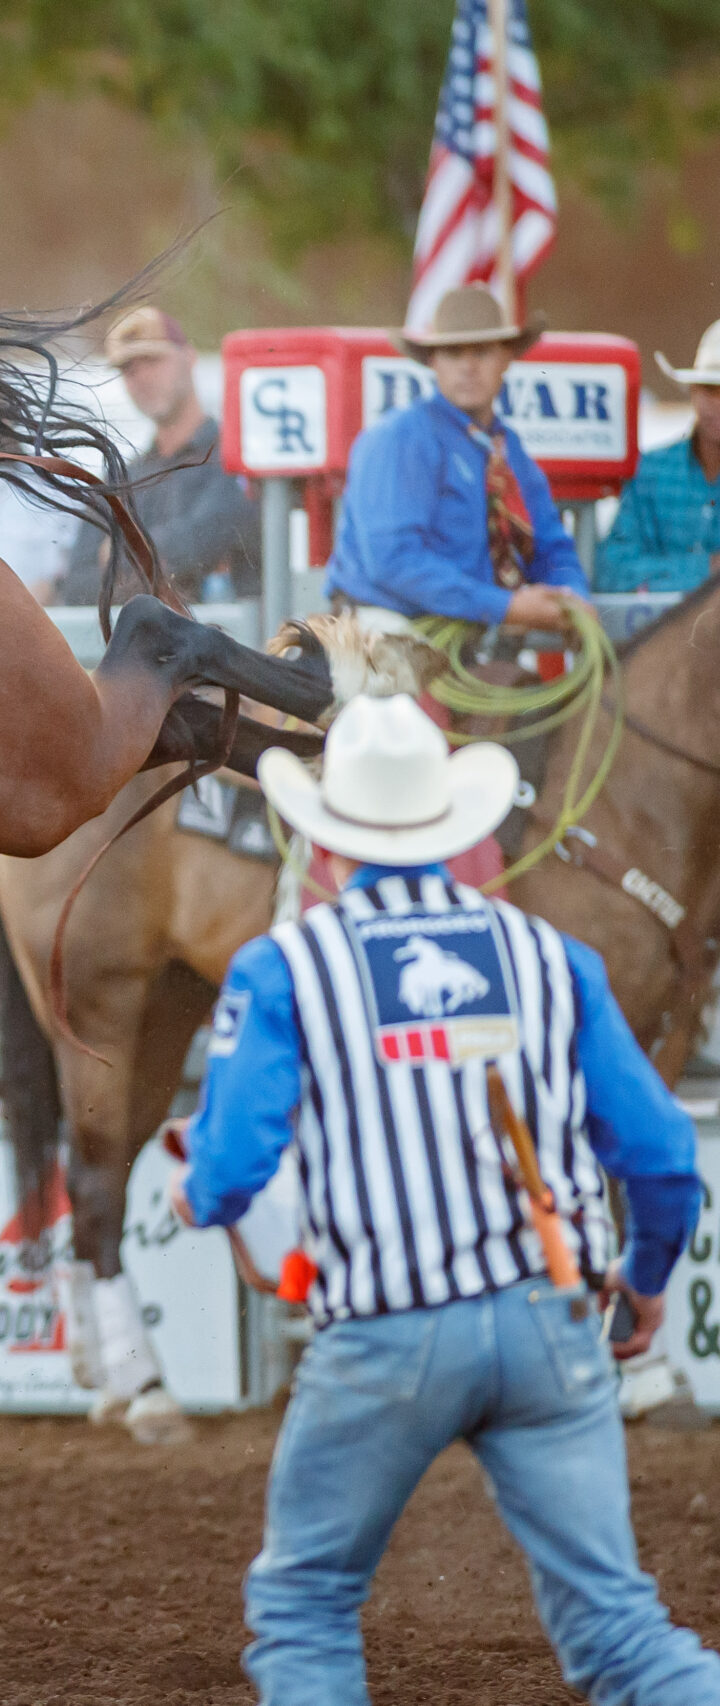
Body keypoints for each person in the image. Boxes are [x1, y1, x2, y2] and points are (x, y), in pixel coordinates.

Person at [171, 693, 720, 1706]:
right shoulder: (552, 958)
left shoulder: (287, 964)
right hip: (552, 1315)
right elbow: (659, 1153)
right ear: (450, 828)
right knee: (623, 1634)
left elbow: (233, 1164)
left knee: (304, 1608)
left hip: (384, 1330)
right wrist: (644, 1277)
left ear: (326, 842)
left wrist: (191, 1191)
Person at [325, 287, 591, 634]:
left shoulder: (510, 452)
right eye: (453, 353)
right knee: (402, 685)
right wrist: (506, 607)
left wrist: (572, 597)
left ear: (507, 357)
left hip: (470, 634)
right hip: (381, 629)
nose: (468, 367)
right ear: (433, 361)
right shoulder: (400, 438)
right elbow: (393, 562)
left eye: (482, 351)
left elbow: (551, 548)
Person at [56, 306, 260, 607]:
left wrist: (117, 556)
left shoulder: (237, 457)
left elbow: (206, 541)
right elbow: (76, 588)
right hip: (150, 648)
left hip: (228, 645)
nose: (142, 377)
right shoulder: (122, 479)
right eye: (129, 369)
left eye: (152, 360)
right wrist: (157, 561)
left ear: (189, 358)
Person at [596, 318, 720, 595]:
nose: (718, 404)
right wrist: (707, 568)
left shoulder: (649, 471)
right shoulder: (650, 471)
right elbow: (610, 570)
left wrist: (664, 577)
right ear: (693, 391)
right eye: (710, 390)